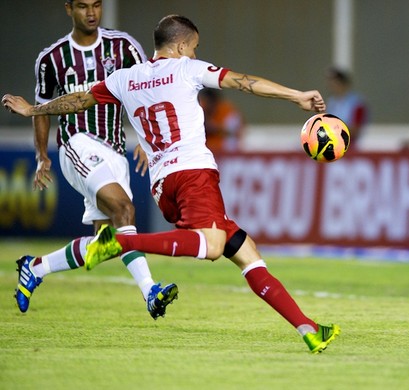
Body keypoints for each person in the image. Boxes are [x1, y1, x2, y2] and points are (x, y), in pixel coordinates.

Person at [3, 14, 340, 354]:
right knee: (211, 246)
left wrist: (34, 110)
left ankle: (308, 329)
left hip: (163, 184)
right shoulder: (187, 70)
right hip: (194, 174)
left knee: (247, 253)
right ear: (180, 46)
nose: (194, 54)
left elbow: (77, 100)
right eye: (193, 48)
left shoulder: (125, 78)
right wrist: (296, 95)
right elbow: (243, 82)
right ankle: (121, 243)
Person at [13, 0, 178, 319]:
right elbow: (43, 108)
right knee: (124, 209)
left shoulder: (123, 46)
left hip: (115, 150)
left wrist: (146, 137)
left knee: (108, 243)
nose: (91, 12)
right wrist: (41, 155)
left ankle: (35, 268)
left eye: (97, 5)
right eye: (83, 6)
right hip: (77, 144)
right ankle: (151, 292)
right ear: (68, 9)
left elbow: (147, 87)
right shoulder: (52, 58)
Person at [325, 66, 369, 149]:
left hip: (351, 146)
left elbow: (356, 129)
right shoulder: (331, 102)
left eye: (335, 82)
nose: (332, 86)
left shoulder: (356, 103)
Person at [198, 88, 245, 154]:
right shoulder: (200, 110)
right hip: (204, 151)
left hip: (224, 151)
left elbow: (233, 132)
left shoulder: (228, 112)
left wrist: (215, 129)